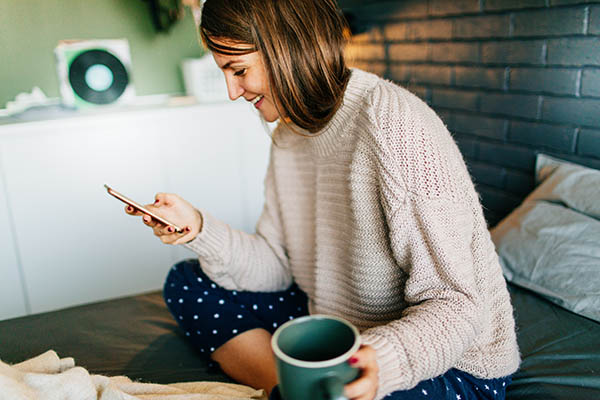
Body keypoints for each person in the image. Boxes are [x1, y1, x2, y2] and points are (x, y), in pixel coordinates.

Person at [125, 0, 520, 399]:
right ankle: (299, 390)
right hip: (338, 325)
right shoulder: (288, 136)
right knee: (187, 280)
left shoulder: (393, 122)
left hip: (447, 361)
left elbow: (457, 306)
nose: (232, 92)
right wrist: (199, 228)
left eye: (239, 70)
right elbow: (278, 266)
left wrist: (381, 361)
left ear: (289, 48)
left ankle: (305, 390)